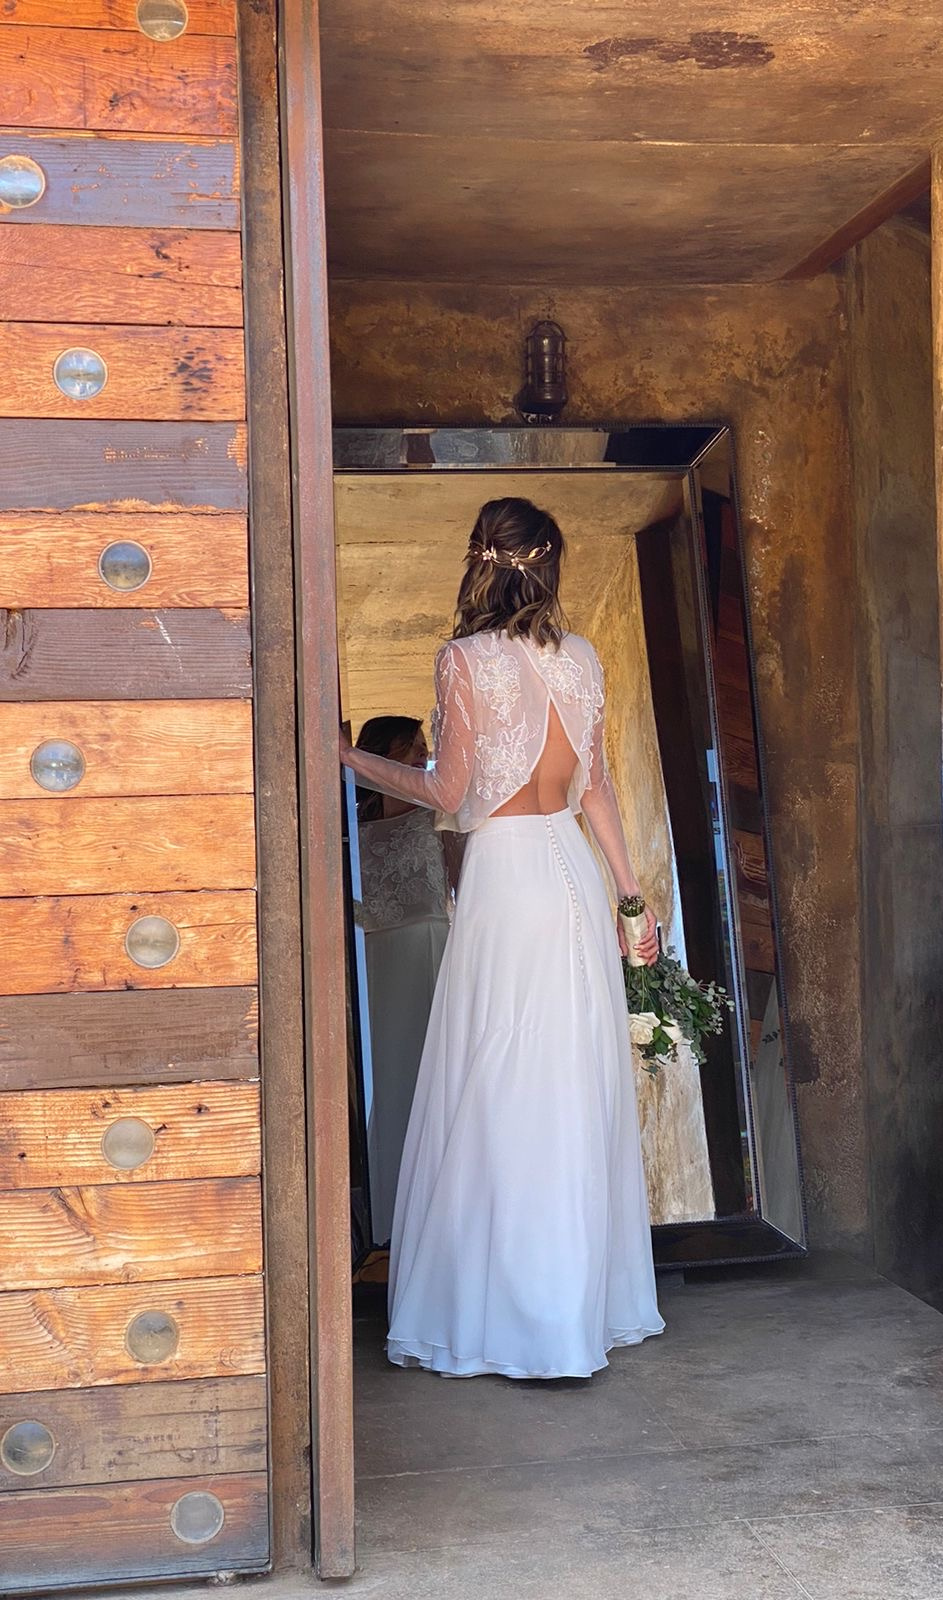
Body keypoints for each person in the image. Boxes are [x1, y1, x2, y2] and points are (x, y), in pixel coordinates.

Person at [339, 496, 665, 1379]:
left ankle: (516, 1313)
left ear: (477, 563)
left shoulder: (463, 661)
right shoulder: (583, 657)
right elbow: (596, 788)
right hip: (573, 873)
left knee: (496, 1080)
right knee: (571, 1078)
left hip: (506, 878)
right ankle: (576, 1308)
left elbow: (447, 794)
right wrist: (632, 901)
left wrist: (350, 758)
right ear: (549, 567)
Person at [352, 716, 454, 1247]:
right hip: (375, 959)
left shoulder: (438, 813)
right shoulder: (346, 824)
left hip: (430, 951)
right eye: (410, 747)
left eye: (423, 747)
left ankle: (442, 1213)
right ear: (380, 753)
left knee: (432, 1071)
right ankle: (390, 1219)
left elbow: (464, 883)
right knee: (388, 1076)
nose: (422, 756)